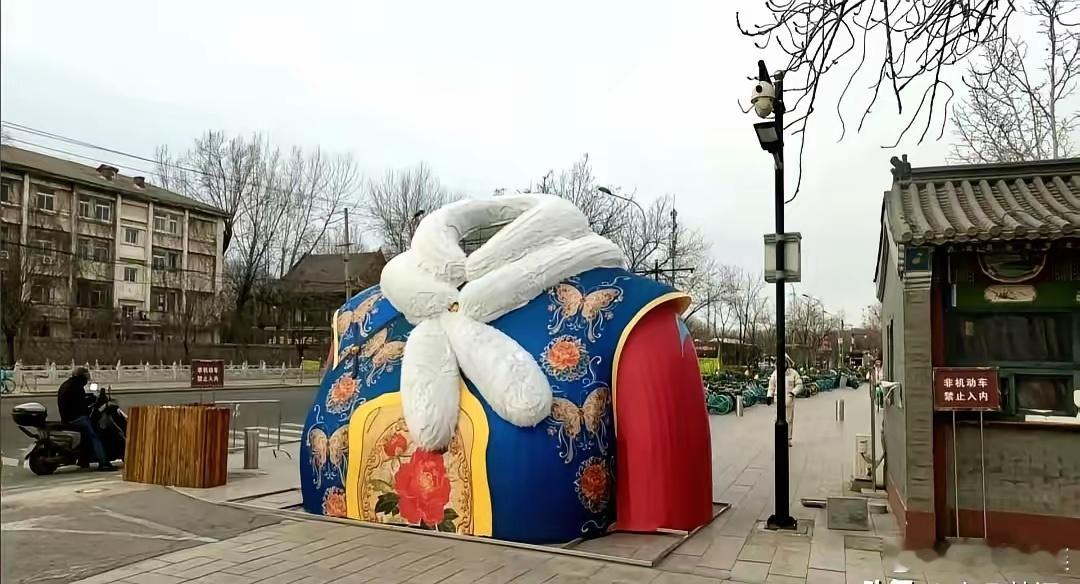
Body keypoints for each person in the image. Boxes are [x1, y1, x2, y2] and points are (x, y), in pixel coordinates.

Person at [57, 367, 115, 471]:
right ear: (82, 376)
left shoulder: (67, 384)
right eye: (87, 376)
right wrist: (93, 400)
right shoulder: (76, 386)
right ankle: (103, 462)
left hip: (67, 417)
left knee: (85, 436)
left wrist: (89, 398)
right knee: (94, 435)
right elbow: (81, 404)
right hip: (76, 417)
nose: (88, 379)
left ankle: (83, 459)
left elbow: (77, 400)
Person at [767, 356, 803, 446]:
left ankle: (788, 438)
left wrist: (793, 393)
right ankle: (779, 437)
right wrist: (769, 395)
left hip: (788, 400)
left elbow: (799, 385)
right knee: (777, 419)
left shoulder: (793, 373)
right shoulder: (775, 373)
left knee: (789, 420)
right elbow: (771, 385)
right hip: (778, 401)